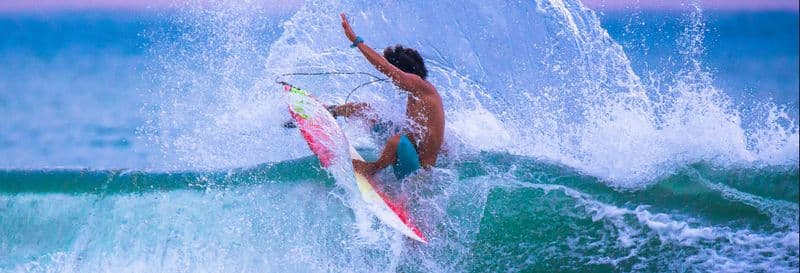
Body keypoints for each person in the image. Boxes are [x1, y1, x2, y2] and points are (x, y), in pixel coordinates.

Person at [334, 13, 445, 179]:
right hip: (409, 156)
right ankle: (331, 111)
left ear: (405, 73)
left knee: (396, 140)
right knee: (365, 109)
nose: (393, 80)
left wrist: (355, 40)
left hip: (417, 173)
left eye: (395, 76)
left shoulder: (418, 85)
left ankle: (371, 170)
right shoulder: (418, 93)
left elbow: (384, 66)